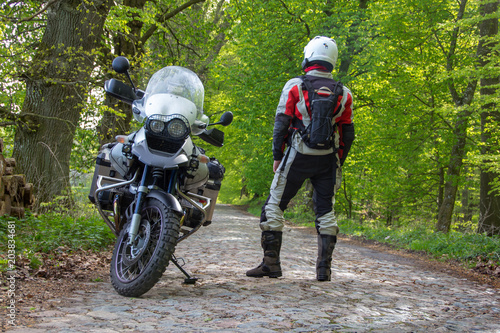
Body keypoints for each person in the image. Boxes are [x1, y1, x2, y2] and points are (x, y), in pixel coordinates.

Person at [246, 36, 355, 281]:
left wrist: (277, 155)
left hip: (297, 156)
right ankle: (324, 270)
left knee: (273, 207)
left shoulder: (295, 86)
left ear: (308, 56)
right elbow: (348, 131)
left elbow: (281, 122)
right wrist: (339, 160)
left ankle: (271, 265)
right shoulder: (344, 93)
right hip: (327, 159)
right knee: (326, 211)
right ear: (332, 61)